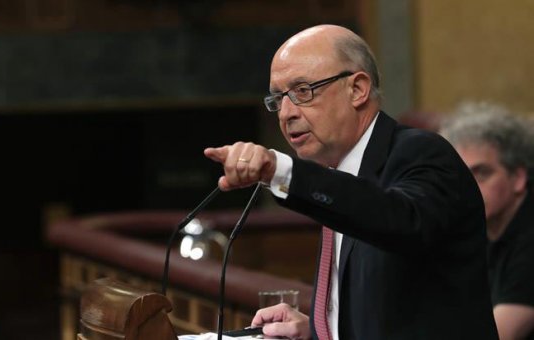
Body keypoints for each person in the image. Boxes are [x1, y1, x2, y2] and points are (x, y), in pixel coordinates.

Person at [204, 25, 498, 339]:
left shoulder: (420, 153)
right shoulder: (338, 176)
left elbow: (399, 220)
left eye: (303, 91)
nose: (286, 113)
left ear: (357, 89)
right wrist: (320, 328)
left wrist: (280, 171)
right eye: (279, 98)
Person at [440, 102, 534, 340]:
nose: (468, 188)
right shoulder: (471, 228)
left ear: (518, 178)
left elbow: (499, 334)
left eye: (481, 174)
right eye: (460, 175)